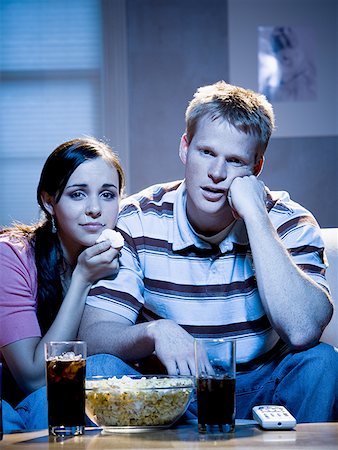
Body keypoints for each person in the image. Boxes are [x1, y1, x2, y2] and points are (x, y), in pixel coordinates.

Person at [79, 81, 338, 422]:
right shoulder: (137, 219)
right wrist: (155, 332)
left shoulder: (289, 222)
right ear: (185, 148)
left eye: (235, 161)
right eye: (206, 153)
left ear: (256, 168)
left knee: (321, 361)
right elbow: (94, 335)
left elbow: (303, 331)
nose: (216, 174)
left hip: (264, 390)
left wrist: (256, 218)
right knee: (100, 367)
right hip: (172, 394)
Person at [0, 137, 132, 432]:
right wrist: (82, 279)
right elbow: (33, 378)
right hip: (21, 402)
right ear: (49, 201)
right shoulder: (11, 255)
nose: (95, 209)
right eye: (78, 194)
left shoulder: (123, 258)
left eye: (108, 195)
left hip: (86, 408)